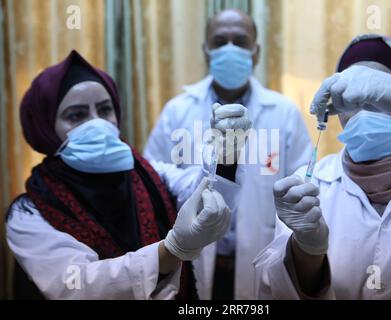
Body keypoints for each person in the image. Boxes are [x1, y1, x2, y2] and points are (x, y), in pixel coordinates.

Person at [6, 50, 233, 300]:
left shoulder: (148, 174)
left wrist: (225, 153)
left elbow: (203, 196)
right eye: (77, 115)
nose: (97, 123)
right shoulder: (30, 211)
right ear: (46, 129)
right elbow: (76, 286)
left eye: (105, 110)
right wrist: (170, 251)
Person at [254, 34, 391, 299]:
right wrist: (307, 250)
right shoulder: (310, 187)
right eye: (351, 95)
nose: (365, 108)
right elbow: (277, 291)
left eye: (379, 91)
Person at [144, 9, 312, 299]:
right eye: (220, 41)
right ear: (206, 50)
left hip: (262, 255)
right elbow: (151, 180)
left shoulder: (283, 113)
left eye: (240, 41)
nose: (229, 49)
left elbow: (305, 180)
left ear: (256, 52)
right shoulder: (177, 111)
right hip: (191, 259)